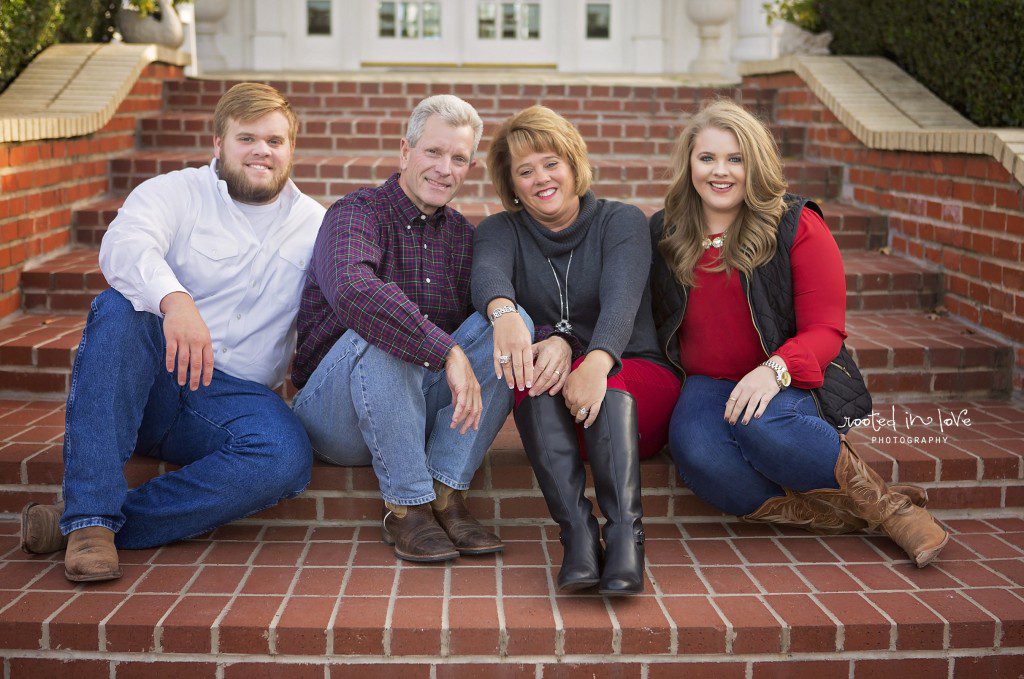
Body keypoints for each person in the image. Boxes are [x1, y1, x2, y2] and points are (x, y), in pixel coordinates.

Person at [19, 83, 326, 582]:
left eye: (274, 140)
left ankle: (88, 525)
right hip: (150, 381)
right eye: (246, 138)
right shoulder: (175, 192)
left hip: (229, 402)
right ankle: (92, 513)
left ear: (292, 149)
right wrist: (174, 299)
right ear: (218, 145)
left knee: (285, 455)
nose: (262, 151)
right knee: (120, 307)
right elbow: (125, 244)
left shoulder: (316, 225)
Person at [650, 99, 947, 568]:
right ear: (689, 166)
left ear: (755, 162)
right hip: (706, 383)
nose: (719, 172)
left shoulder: (794, 224)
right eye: (706, 158)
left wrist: (774, 371)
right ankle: (846, 517)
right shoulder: (666, 232)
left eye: (735, 158)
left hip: (786, 373)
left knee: (760, 423)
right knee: (698, 454)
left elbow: (827, 329)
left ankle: (892, 508)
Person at [292, 95, 524, 564]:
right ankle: (407, 508)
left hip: (410, 408)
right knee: (381, 327)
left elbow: (484, 326)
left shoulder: (461, 236)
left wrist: (519, 325)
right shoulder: (356, 212)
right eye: (433, 152)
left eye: (458, 158)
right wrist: (447, 352)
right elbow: (355, 291)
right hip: (335, 413)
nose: (445, 168)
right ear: (405, 152)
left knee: (509, 325)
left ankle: (445, 493)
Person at [472, 106, 680, 595]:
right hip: (559, 418)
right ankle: (578, 536)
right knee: (530, 371)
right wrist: (506, 315)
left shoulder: (621, 221)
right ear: (512, 184)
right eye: (525, 171)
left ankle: (626, 538)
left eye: (550, 163)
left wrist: (597, 363)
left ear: (573, 164)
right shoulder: (500, 231)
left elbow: (622, 303)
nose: (541, 178)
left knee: (590, 374)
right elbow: (488, 276)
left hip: (633, 389)